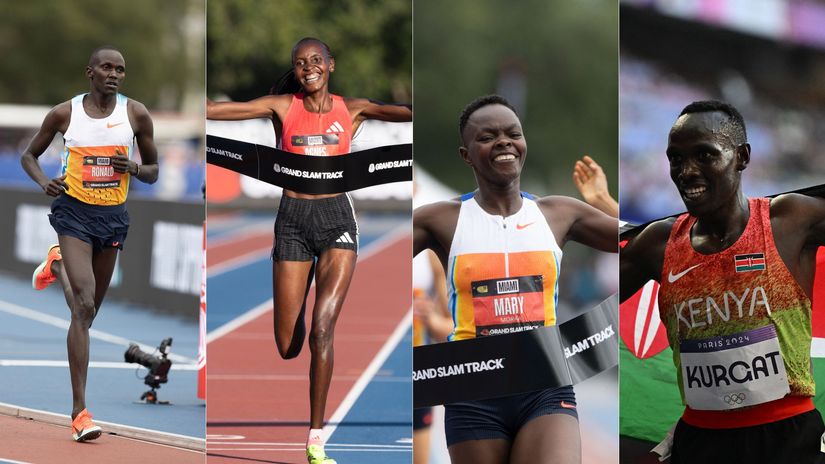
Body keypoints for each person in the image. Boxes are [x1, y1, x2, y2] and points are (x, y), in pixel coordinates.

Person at [206, 37, 411, 464]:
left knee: (323, 331)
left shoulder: (353, 109)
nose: (309, 67)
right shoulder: (282, 107)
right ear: (295, 70)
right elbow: (219, 111)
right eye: (301, 63)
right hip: (292, 223)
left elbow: (409, 113)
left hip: (337, 221)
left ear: (330, 65)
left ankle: (316, 438)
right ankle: (296, 300)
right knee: (288, 344)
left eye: (316, 60)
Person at [413, 94, 617, 464]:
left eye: (513, 134)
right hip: (473, 391)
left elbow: (647, 242)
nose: (504, 142)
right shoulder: (441, 219)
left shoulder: (558, 214)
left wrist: (603, 200)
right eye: (488, 137)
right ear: (466, 155)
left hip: (545, 386)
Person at [620, 100, 825, 463]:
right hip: (701, 441)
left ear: (742, 157)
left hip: (787, 440)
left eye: (704, 155)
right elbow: (592, 307)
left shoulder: (789, 221)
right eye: (676, 159)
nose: (686, 171)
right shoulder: (658, 244)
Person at [20, 46, 159, 442]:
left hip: (113, 217)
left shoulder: (136, 114)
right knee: (82, 306)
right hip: (73, 213)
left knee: (89, 311)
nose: (114, 74)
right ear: (90, 72)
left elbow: (153, 171)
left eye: (120, 69)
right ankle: (79, 413)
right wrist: (43, 182)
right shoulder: (65, 113)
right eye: (107, 67)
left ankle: (57, 264)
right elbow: (29, 156)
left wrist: (134, 167)